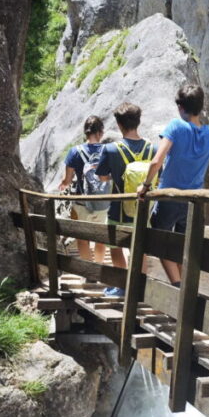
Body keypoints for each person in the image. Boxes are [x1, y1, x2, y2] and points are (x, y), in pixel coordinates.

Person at [136, 85, 209, 283]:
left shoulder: (176, 127)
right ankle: (185, 289)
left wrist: (144, 186)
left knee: (159, 239)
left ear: (180, 107)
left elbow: (156, 161)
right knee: (183, 245)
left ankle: (178, 286)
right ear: (201, 106)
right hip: (193, 202)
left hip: (168, 198)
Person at [96, 102, 155, 297]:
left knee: (115, 246)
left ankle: (122, 287)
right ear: (138, 121)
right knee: (141, 249)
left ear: (119, 125)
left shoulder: (111, 150)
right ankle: (139, 287)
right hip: (143, 209)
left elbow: (102, 177)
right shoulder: (152, 149)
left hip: (118, 209)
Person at [59, 115, 108, 264]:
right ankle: (99, 268)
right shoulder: (108, 150)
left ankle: (88, 271)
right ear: (100, 132)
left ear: (85, 132)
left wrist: (63, 184)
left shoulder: (74, 152)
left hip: (81, 202)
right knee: (100, 239)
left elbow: (66, 181)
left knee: (82, 238)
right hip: (103, 203)